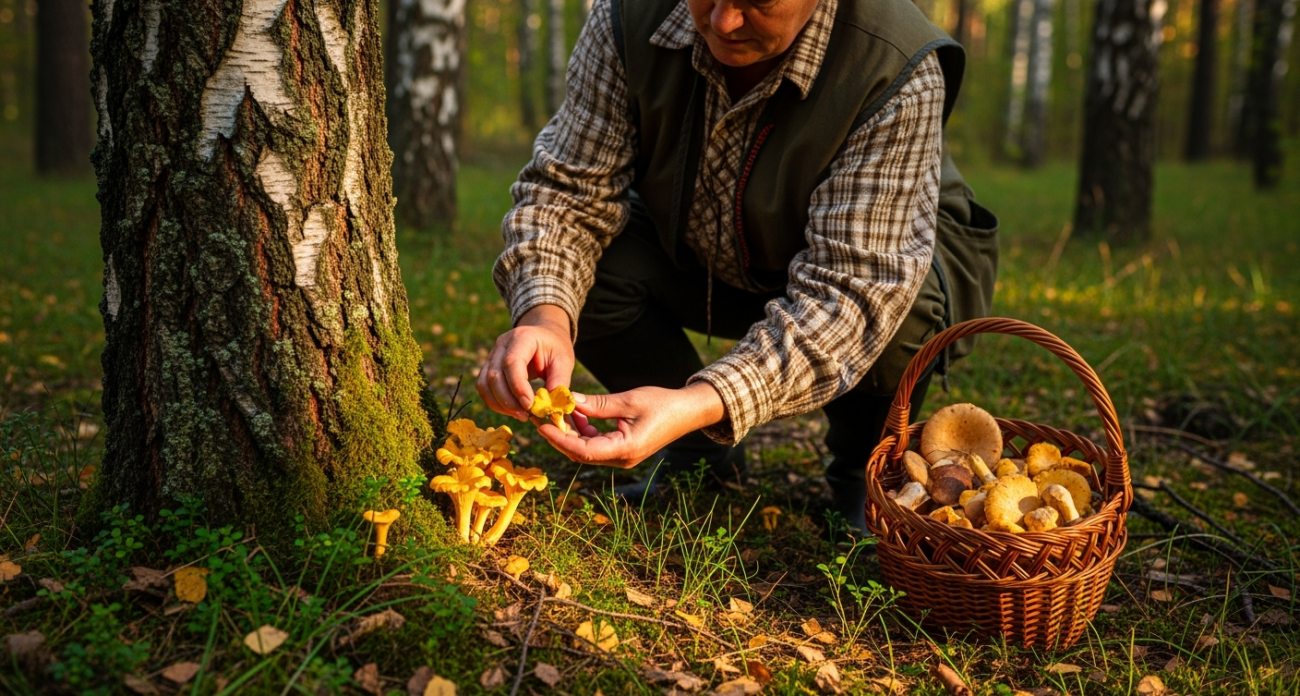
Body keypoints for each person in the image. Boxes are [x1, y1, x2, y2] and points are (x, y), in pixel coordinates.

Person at [478, 0, 998, 534]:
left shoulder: (897, 64)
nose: (724, 22)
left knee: (900, 312)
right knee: (586, 272)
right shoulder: (626, 17)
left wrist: (705, 400)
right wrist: (545, 319)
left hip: (867, 271)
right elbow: (568, 191)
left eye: (759, 1)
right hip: (702, 251)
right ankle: (693, 455)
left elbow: (854, 293)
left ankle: (863, 477)